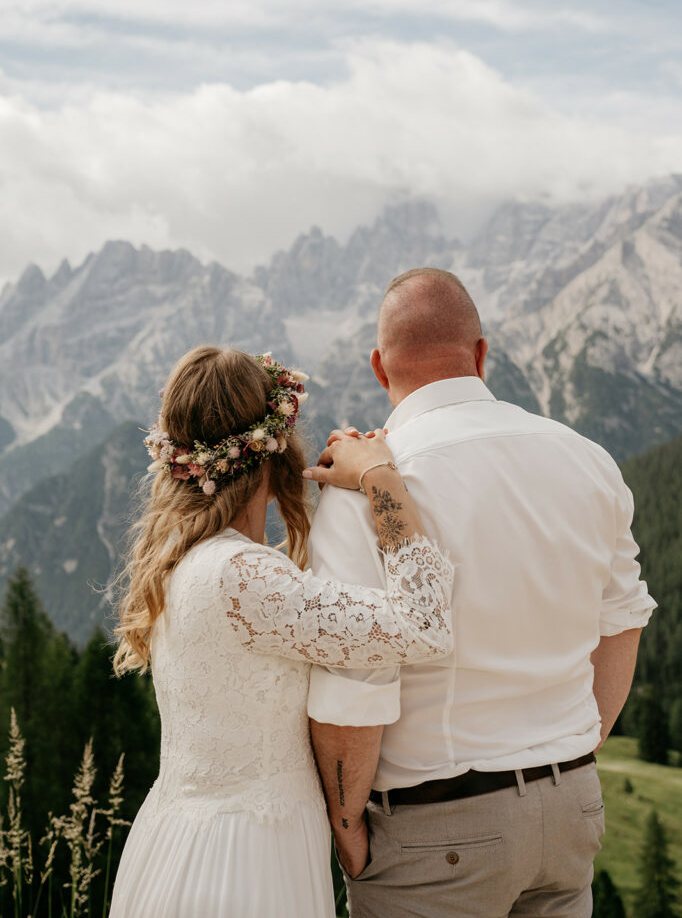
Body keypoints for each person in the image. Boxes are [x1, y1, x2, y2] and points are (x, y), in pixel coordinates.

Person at [308, 267, 657, 918]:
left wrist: (345, 819)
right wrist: (572, 754)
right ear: (481, 354)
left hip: (436, 831)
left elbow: (356, 673)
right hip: (570, 809)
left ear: (380, 368)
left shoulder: (365, 487)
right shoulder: (587, 459)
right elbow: (624, 623)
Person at [108, 345, 455, 918]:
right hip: (246, 861)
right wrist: (379, 476)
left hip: (172, 843)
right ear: (274, 453)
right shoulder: (245, 577)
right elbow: (424, 623)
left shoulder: (179, 564)